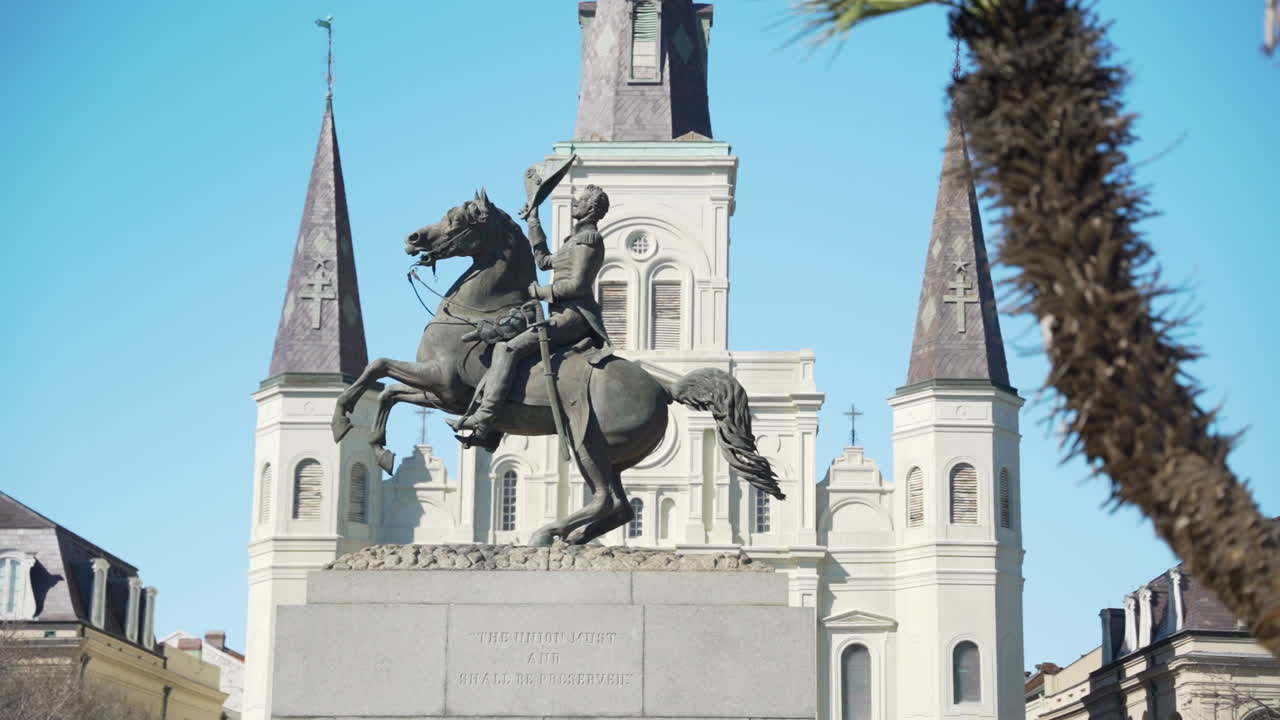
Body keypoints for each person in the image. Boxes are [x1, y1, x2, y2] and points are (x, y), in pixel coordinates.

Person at [448, 184, 612, 440]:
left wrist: (541, 292)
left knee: (508, 349)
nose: (576, 203)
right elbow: (544, 262)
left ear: (591, 208)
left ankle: (485, 418)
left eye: (581, 201)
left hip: (574, 316)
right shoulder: (574, 240)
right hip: (559, 313)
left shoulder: (588, 240)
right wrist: (533, 221)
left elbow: (577, 286)